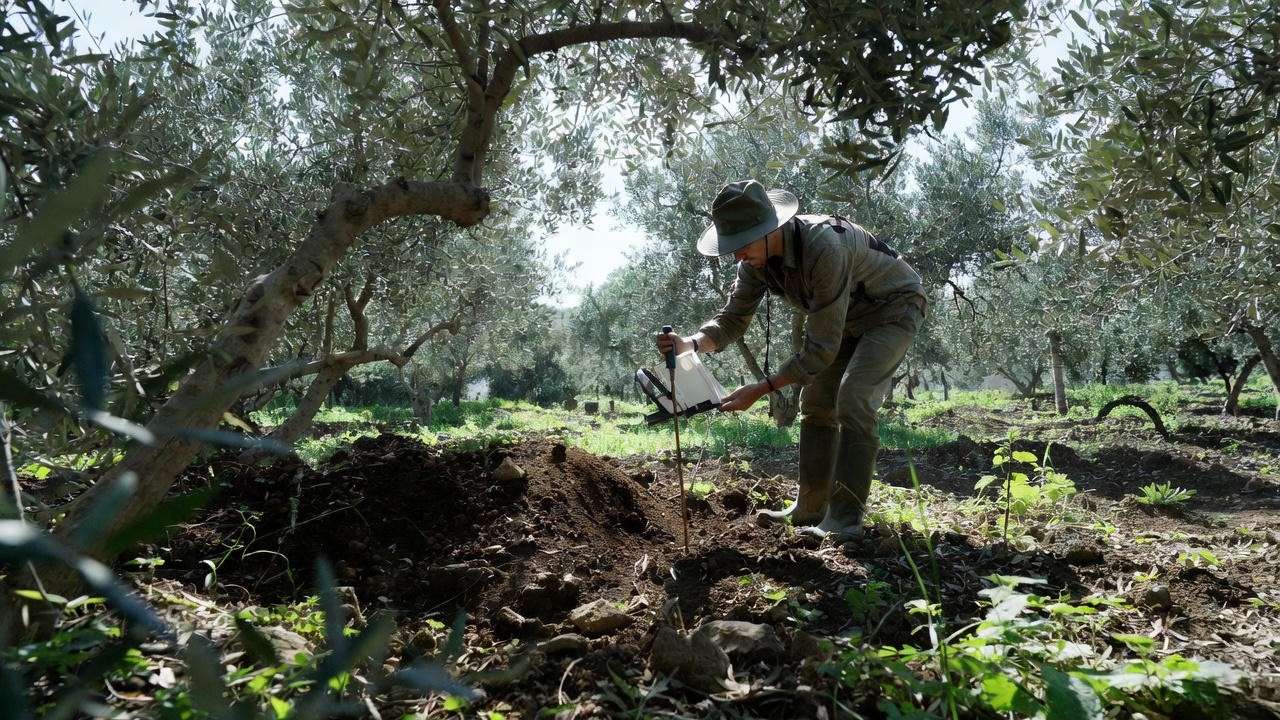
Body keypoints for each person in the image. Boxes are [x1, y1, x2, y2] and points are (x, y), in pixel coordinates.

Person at [655, 179, 926, 541]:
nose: (737, 255)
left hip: (893, 309)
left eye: (742, 244)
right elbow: (733, 319)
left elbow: (819, 350)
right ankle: (810, 509)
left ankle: (844, 520)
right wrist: (690, 344)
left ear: (771, 229)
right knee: (816, 403)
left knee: (854, 397)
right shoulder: (755, 261)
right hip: (846, 321)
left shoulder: (824, 248)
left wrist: (763, 388)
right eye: (731, 246)